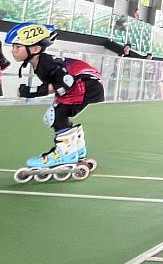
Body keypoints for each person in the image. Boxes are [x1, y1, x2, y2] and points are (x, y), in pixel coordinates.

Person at [5, 23, 104, 180]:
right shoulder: (40, 62)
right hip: (86, 83)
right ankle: (77, 149)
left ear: (35, 49)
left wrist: (31, 92)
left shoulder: (45, 63)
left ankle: (65, 153)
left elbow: (64, 82)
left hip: (85, 83)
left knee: (57, 115)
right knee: (58, 115)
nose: (13, 51)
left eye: (18, 47)